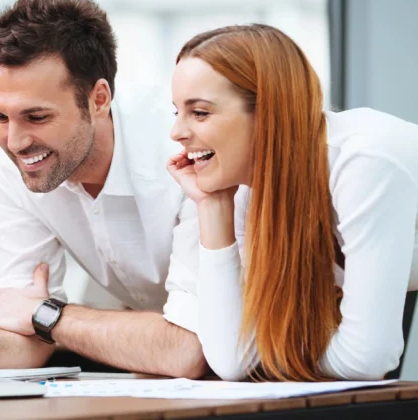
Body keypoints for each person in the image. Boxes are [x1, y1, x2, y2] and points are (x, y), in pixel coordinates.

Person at [0, 0, 206, 380]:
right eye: (0, 117)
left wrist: (46, 315)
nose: (16, 142)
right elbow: (22, 322)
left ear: (99, 99)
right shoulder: (10, 159)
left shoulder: (184, 149)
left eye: (36, 117)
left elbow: (188, 349)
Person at [167, 23, 418, 381]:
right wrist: (212, 208)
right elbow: (234, 360)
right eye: (175, 111)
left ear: (269, 111)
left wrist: (275, 354)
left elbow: (367, 358)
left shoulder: (365, 161)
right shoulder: (251, 189)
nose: (176, 132)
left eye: (200, 112)